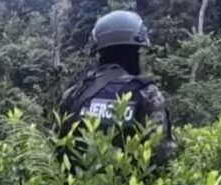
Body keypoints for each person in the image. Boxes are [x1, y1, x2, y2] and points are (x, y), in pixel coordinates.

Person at [58, 10, 176, 167]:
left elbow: (58, 148)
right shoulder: (147, 93)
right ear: (136, 52)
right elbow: (161, 156)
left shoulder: (74, 92)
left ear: (99, 52)